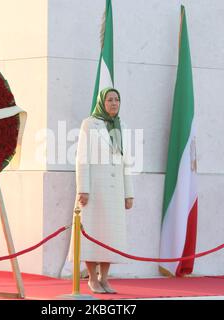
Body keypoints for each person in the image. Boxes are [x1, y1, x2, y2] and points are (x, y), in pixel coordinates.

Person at [75, 87, 134, 294]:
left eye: (117, 99)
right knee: (93, 232)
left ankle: (105, 279)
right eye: (109, 99)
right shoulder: (90, 124)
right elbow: (82, 158)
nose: (114, 103)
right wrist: (84, 189)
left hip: (115, 191)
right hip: (95, 190)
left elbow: (127, 161)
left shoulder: (122, 125)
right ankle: (92, 278)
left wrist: (129, 193)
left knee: (110, 236)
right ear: (102, 102)